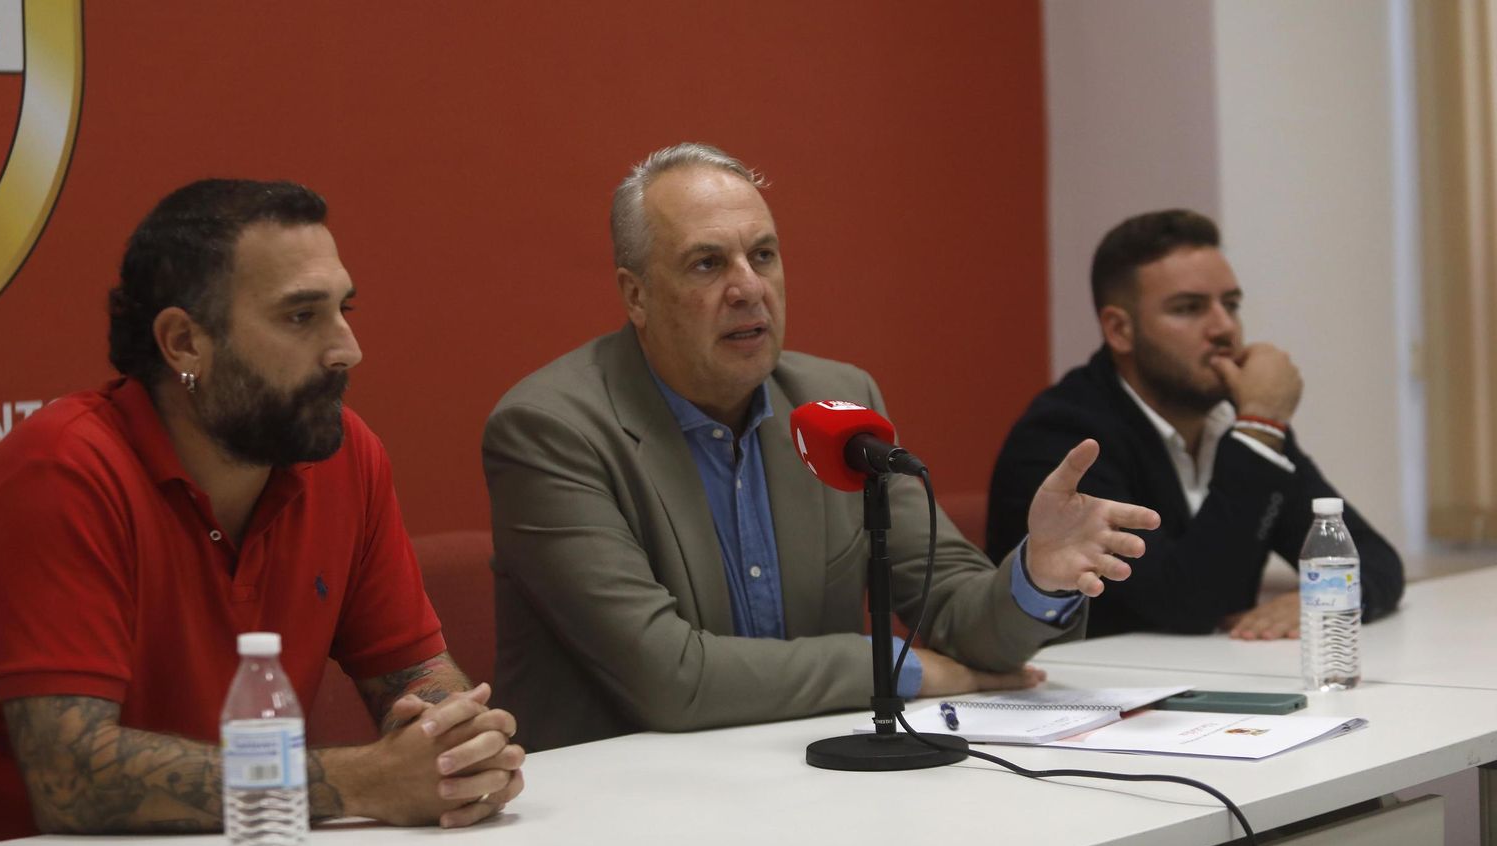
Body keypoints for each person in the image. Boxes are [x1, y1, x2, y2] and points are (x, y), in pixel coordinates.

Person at [0, 179, 523, 846]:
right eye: (300, 317)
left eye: (344, 309)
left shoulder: (344, 456)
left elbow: (413, 674)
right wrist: (362, 781)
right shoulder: (61, 470)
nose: (347, 349)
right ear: (184, 343)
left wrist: (457, 746)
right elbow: (70, 778)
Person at [483, 143, 1160, 751]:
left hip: (810, 780)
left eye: (764, 255)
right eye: (707, 263)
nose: (748, 288)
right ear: (637, 295)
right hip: (619, 809)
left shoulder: (837, 400)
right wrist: (898, 665)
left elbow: (958, 609)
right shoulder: (551, 429)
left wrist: (1036, 575)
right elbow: (671, 678)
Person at [985, 209, 1403, 639]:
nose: (1224, 328)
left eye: (1232, 305)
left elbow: (1372, 557)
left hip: (1209, 681)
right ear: (1119, 330)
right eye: (1189, 308)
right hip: (1091, 696)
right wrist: (1260, 427)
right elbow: (1186, 605)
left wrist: (1330, 595)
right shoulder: (1066, 437)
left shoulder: (1235, 423)